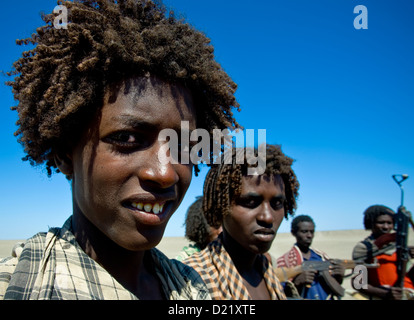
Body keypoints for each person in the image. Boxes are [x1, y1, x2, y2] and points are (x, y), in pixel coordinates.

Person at [0, 0, 240, 300]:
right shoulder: (21, 285)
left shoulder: (189, 286)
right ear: (64, 153)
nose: (165, 174)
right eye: (127, 138)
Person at [184, 144, 300, 300]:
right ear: (221, 208)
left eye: (277, 203)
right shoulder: (192, 279)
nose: (268, 217)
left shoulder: (266, 271)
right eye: (250, 202)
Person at [351, 205, 414, 300]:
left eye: (389, 223)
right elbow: (358, 283)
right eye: (381, 223)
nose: (386, 227)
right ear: (371, 223)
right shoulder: (364, 248)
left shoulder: (401, 246)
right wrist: (386, 293)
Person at [277, 215, 346, 300]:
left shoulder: (321, 257)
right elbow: (280, 293)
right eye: (304, 231)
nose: (309, 235)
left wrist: (339, 276)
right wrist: (296, 283)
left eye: (312, 232)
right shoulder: (285, 261)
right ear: (293, 232)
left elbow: (335, 287)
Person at [176, 196, 222, 261]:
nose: (221, 231)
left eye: (223, 225)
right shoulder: (185, 259)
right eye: (215, 225)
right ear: (201, 227)